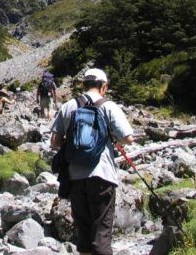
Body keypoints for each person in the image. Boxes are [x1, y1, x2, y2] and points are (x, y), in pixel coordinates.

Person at [50, 69, 134, 255]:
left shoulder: (69, 106)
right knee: (101, 232)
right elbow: (128, 138)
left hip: (75, 177)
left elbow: (55, 142)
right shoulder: (109, 106)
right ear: (104, 87)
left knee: (84, 233)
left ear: (83, 85)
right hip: (102, 174)